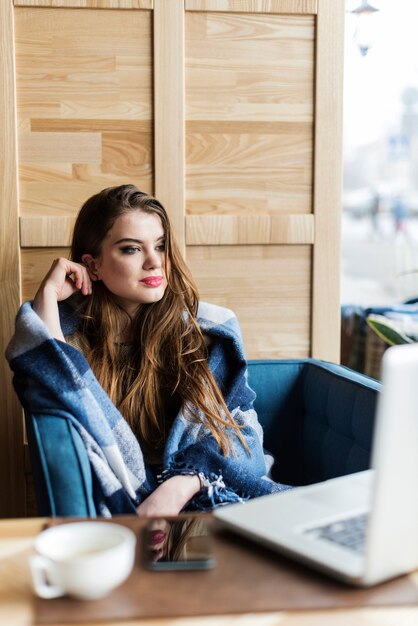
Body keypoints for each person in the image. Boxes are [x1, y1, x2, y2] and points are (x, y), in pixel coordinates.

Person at [6, 184, 290, 516]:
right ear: (92, 265)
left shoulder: (207, 333)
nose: (154, 262)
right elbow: (54, 384)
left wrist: (180, 485)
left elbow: (243, 433)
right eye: (131, 249)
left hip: (207, 493)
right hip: (123, 502)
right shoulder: (73, 340)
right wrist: (48, 298)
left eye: (160, 245)